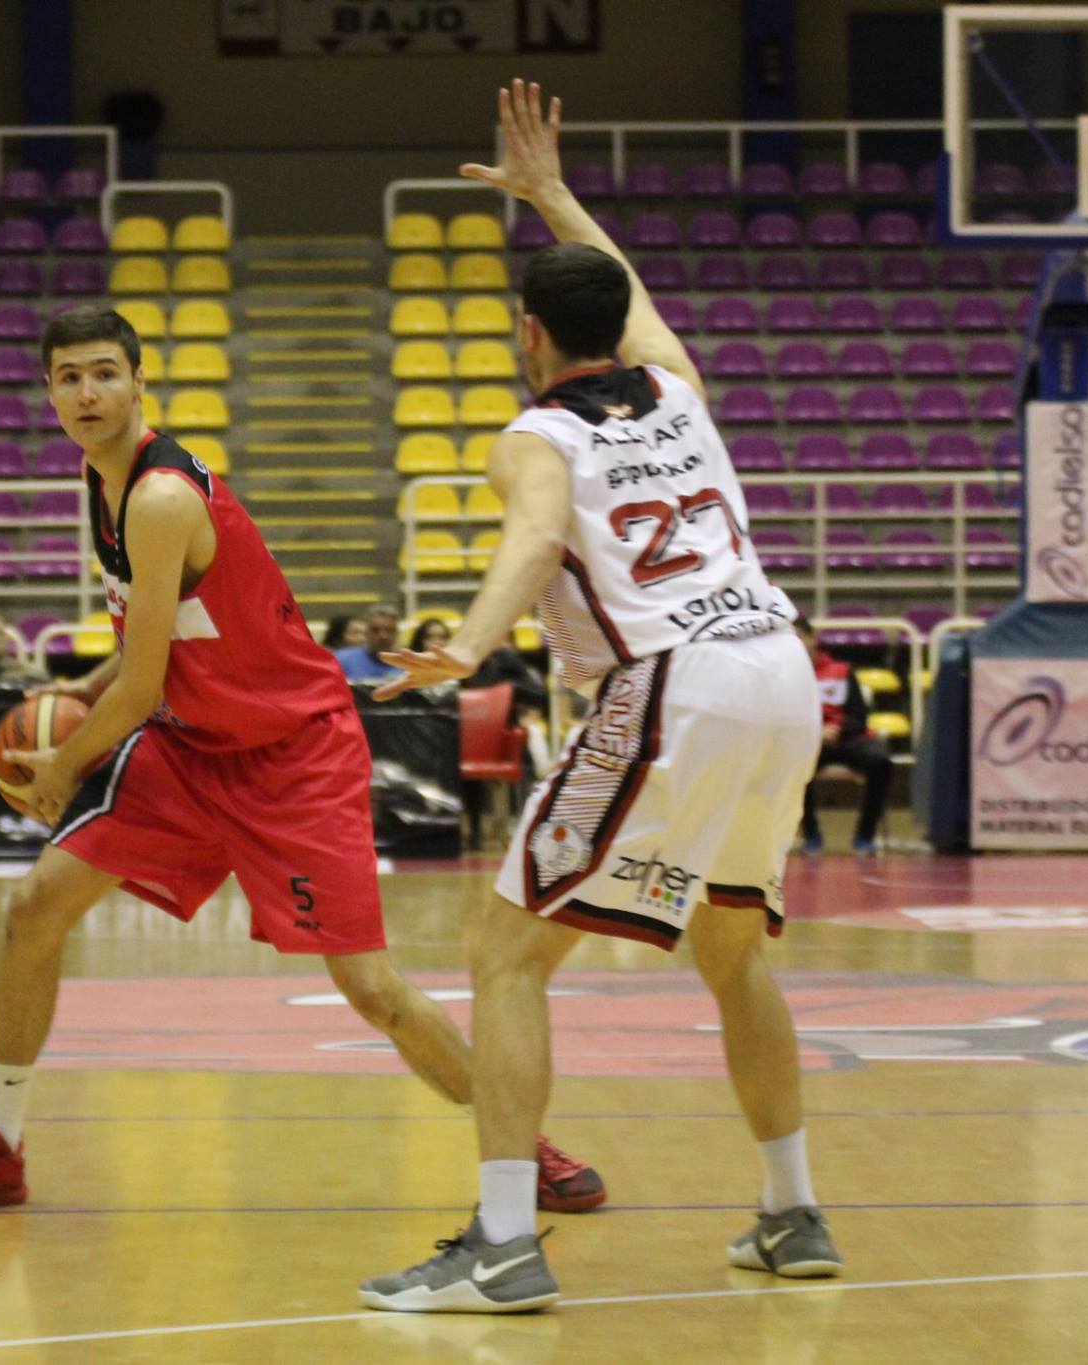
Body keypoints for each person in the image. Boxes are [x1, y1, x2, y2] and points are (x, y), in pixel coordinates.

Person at [0, 304, 602, 1217]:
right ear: (48, 391)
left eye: (104, 373)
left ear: (138, 381)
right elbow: (150, 642)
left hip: (291, 756)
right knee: (36, 905)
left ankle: (523, 1145)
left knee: (371, 988)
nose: (87, 392)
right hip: (193, 748)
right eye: (69, 376)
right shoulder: (98, 476)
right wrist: (81, 688)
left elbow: (142, 687)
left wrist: (64, 761)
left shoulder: (158, 497)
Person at [362, 81, 839, 1315]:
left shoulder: (537, 436)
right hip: (782, 674)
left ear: (529, 336)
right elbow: (630, 303)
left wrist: (466, 645)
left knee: (502, 952)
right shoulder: (677, 392)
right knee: (731, 950)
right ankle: (789, 1213)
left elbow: (530, 547)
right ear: (616, 331)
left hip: (671, 681)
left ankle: (505, 1245)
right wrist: (554, 197)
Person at [795, 619, 892, 856]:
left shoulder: (842, 671)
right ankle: (811, 835)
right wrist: (815, 732)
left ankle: (864, 837)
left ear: (812, 638)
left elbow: (859, 715)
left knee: (880, 762)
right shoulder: (788, 676)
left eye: (800, 637)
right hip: (810, 741)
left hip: (848, 739)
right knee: (794, 764)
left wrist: (837, 729)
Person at [335, 603, 404, 683]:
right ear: (366, 632)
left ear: (397, 633)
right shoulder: (343, 660)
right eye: (375, 630)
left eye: (389, 630)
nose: (383, 636)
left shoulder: (409, 664)